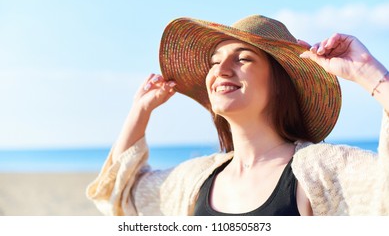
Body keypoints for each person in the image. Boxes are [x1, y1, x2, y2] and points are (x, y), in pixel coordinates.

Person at [86, 14, 389, 216]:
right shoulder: (195, 179)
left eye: (243, 58)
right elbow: (117, 196)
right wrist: (140, 111)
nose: (220, 69)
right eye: (215, 62)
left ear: (280, 82)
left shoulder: (321, 170)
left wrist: (368, 72)